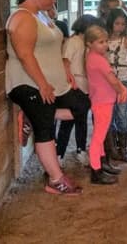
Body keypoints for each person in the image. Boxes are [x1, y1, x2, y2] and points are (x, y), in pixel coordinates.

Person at [5, 0, 91, 195]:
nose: (54, 0)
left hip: (54, 82)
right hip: (28, 83)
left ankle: (32, 116)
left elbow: (54, 45)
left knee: (82, 105)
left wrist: (65, 69)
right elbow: (25, 55)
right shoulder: (22, 18)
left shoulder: (42, 16)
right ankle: (55, 179)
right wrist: (42, 84)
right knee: (45, 130)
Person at [85, 25, 127, 184]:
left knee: (101, 135)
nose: (105, 45)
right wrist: (122, 89)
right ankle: (96, 170)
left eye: (105, 41)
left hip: (102, 100)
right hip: (103, 101)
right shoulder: (98, 60)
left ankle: (102, 163)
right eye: (100, 42)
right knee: (98, 137)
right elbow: (112, 79)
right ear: (89, 44)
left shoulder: (94, 56)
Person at [56, 14, 102, 167]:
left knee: (81, 120)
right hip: (75, 85)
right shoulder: (73, 42)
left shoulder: (86, 43)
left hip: (85, 84)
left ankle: (80, 150)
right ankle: (59, 154)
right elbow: (65, 62)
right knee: (68, 122)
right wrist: (71, 81)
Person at [105, 8, 127, 161]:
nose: (120, 27)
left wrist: (124, 63)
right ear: (110, 23)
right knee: (109, 115)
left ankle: (123, 149)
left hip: (123, 81)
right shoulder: (103, 39)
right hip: (106, 82)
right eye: (117, 23)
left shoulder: (126, 40)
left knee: (121, 114)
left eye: (123, 24)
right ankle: (111, 148)